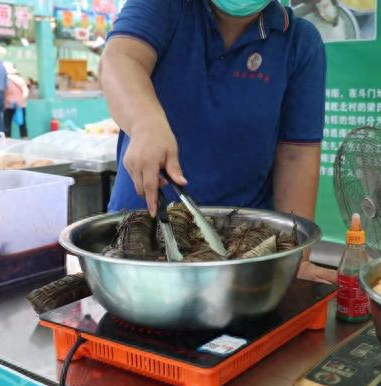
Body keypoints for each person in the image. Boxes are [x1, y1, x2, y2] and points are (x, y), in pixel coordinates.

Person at [100, 0, 335, 283]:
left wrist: (294, 259)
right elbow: (121, 59)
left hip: (241, 250)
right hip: (141, 233)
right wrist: (144, 123)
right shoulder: (165, 7)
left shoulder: (298, 41)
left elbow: (296, 155)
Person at [3, 62, 29, 138]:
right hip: (20, 105)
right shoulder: (20, 79)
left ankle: (7, 141)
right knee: (22, 123)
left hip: (8, 104)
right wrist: (21, 101)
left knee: (7, 124)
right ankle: (25, 139)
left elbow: (2, 92)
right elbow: (25, 91)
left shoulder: (4, 79)